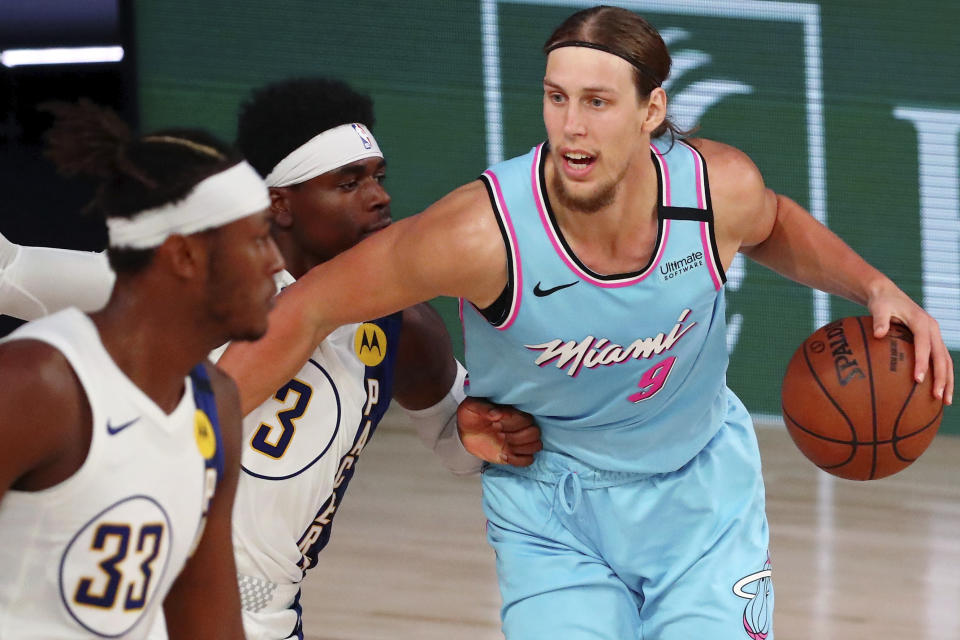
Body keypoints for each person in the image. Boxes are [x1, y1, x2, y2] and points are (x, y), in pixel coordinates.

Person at [218, 6, 955, 639]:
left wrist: (873, 286)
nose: (571, 125)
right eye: (556, 98)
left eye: (597, 102)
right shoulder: (481, 234)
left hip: (701, 497)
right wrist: (183, 433)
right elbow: (309, 305)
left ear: (651, 111)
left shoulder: (713, 190)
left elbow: (771, 225)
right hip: (553, 513)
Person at [0, 78, 541, 639]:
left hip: (268, 616)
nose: (378, 196)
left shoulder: (405, 324)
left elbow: (459, 446)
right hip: (139, 597)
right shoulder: (188, 290)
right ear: (281, 204)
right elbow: (11, 273)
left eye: (378, 177)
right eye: (348, 182)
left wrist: (481, 430)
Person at [0, 100, 284, 638]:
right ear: (184, 256)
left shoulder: (215, 403)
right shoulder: (36, 385)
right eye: (257, 239)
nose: (275, 261)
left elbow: (207, 618)